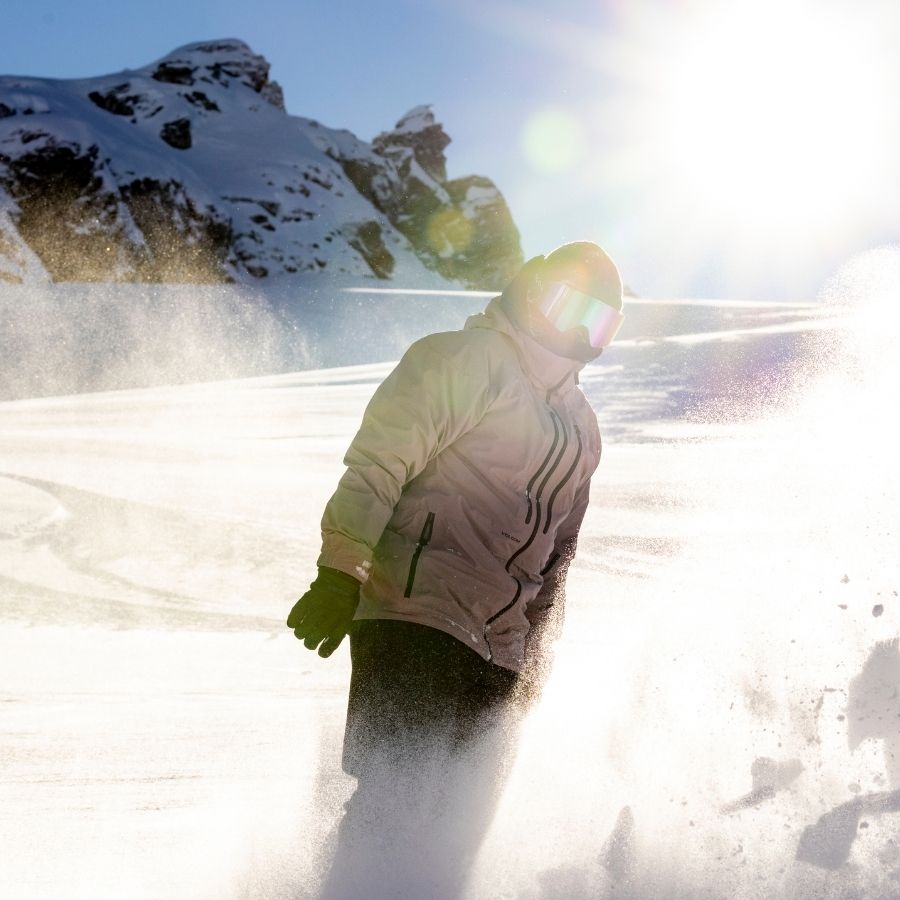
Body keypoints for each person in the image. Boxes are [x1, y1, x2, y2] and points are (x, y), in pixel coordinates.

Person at [288, 241, 625, 899]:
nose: (578, 330)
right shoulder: (462, 361)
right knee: (392, 801)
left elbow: (558, 562)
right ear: (532, 293)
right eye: (567, 305)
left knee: (454, 831)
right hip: (412, 615)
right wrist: (340, 574)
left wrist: (534, 664)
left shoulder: (582, 429)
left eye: (600, 321)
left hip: (497, 651)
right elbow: (379, 466)